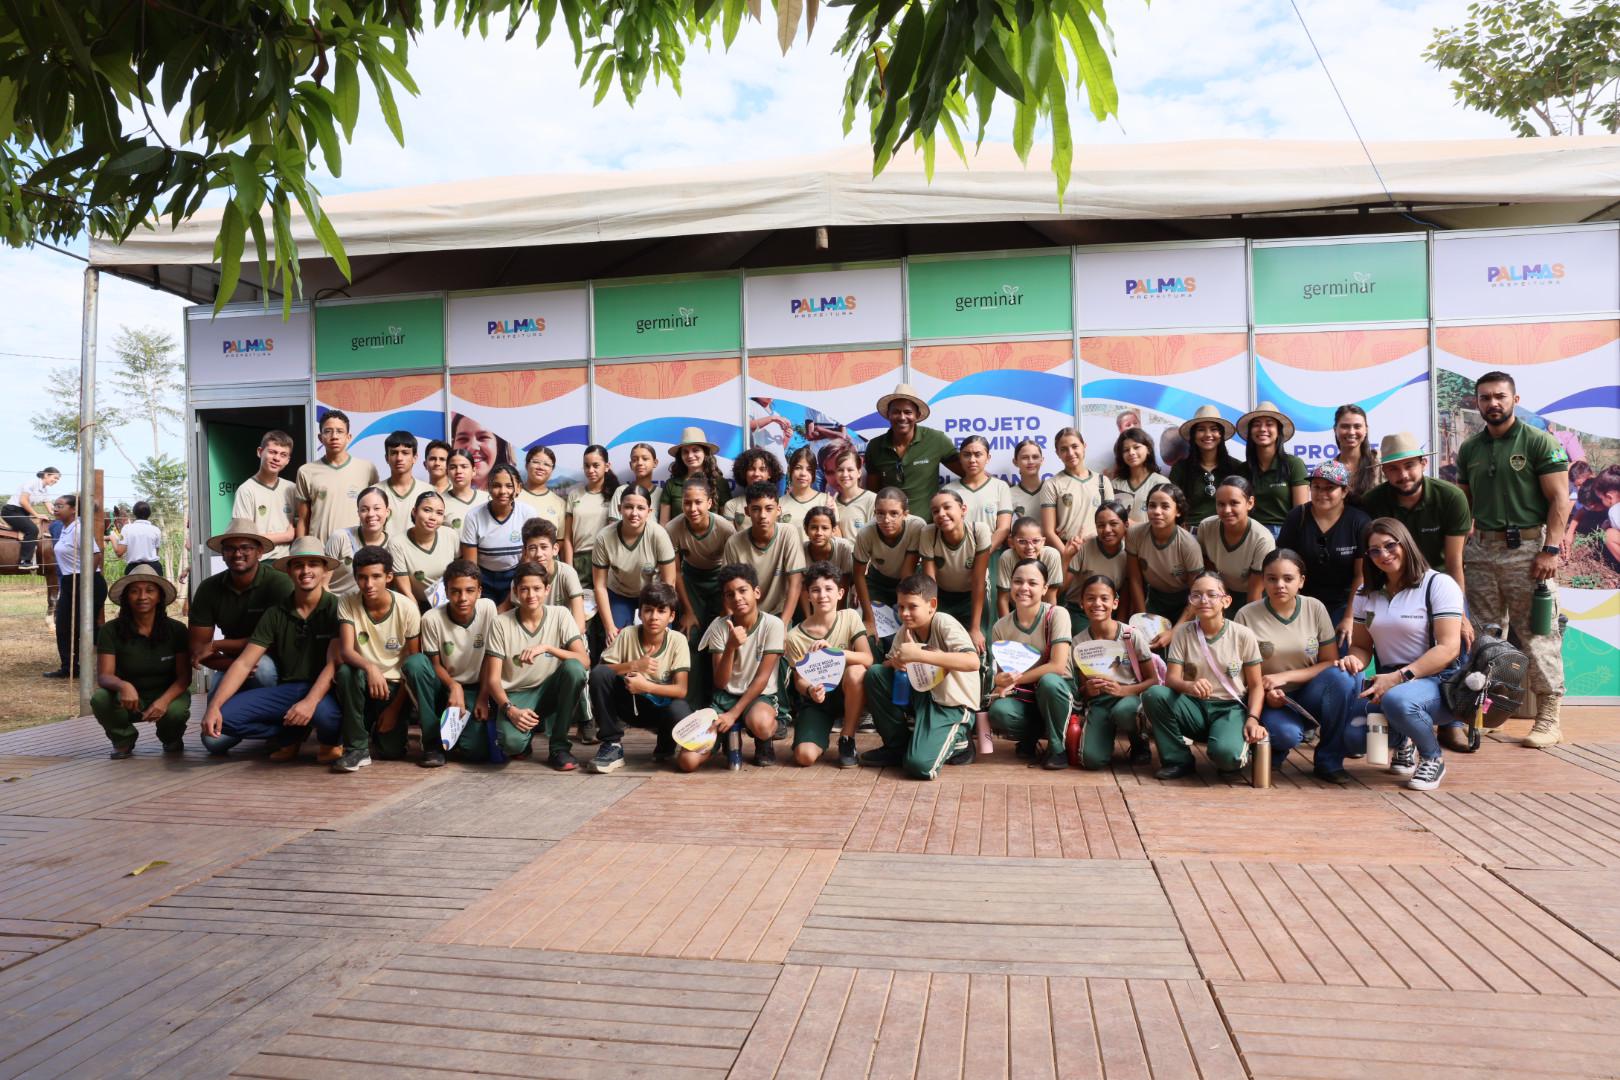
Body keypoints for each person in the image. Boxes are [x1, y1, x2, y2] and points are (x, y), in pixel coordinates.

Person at [1457, 371, 1572, 748]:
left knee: (1538, 634)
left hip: (1528, 551)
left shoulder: (1540, 442)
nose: (1492, 403)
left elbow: (1560, 500)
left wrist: (1551, 549)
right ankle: (1493, 711)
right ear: (1477, 402)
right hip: (1482, 551)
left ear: (1515, 398)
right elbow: (1465, 503)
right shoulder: (1470, 448)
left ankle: (1549, 716)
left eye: (1499, 396)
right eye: (1485, 397)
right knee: (1487, 636)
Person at [1336, 518, 1467, 788]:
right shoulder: (1365, 593)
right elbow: (1362, 646)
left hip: (1437, 682)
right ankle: (1404, 738)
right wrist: (1353, 659)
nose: (1383, 555)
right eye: (1374, 550)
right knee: (1352, 734)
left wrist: (1397, 678)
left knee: (1399, 701)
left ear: (1405, 544)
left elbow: (1449, 648)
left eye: (1390, 545)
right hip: (1389, 682)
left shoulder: (1438, 585)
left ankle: (1432, 758)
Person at [200, 536, 344, 762]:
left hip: (324, 690)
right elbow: (244, 662)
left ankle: (330, 740)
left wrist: (309, 703)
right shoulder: (275, 613)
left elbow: (335, 662)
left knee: (326, 716)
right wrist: (214, 707)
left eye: (313, 564)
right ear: (288, 571)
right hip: (288, 690)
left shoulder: (337, 608)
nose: (305, 571)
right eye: (298, 565)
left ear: (325, 569)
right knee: (224, 718)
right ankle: (292, 733)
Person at [1234, 549, 1358, 784]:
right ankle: (1277, 747)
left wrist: (1286, 676)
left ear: (1301, 581)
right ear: (1263, 581)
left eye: (1288, 579)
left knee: (1342, 677)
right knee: (1285, 734)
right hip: (1270, 697)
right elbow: (1241, 674)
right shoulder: (1246, 615)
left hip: (1311, 692)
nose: (1279, 585)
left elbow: (1330, 662)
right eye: (1272, 578)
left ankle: (1329, 760)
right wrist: (1266, 692)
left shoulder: (1315, 608)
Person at [1142, 570, 1266, 781]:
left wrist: (1253, 719)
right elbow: (1171, 679)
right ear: (1190, 601)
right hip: (1194, 706)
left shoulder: (1243, 635)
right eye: (1196, 595)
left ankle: (1230, 748)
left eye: (1211, 594)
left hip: (1229, 708)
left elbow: (1255, 685)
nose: (1203, 600)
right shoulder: (1182, 632)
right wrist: (1189, 687)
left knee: (1227, 757)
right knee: (1154, 694)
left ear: (1226, 601)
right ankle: (1178, 760)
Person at [859, 573, 980, 778]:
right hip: (922, 696)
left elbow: (972, 661)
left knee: (918, 766)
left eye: (912, 606)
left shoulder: (944, 622)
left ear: (931, 605)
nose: (905, 613)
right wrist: (895, 662)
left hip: (951, 705)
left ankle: (961, 743)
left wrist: (919, 654)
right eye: (901, 607)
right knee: (875, 674)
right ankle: (896, 747)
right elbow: (889, 662)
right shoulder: (906, 629)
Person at [480, 560, 588, 770]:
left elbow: (584, 661)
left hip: (549, 688)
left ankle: (559, 747)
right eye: (524, 589)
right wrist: (510, 710)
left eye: (537, 588)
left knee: (574, 669)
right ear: (515, 591)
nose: (531, 595)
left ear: (547, 589)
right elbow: (493, 679)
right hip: (517, 695)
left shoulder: (560, 614)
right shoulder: (500, 622)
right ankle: (524, 739)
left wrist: (547, 648)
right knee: (511, 745)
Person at [1359, 432, 1471, 633]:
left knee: (1457, 646)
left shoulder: (1451, 497)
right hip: (1392, 587)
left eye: (1409, 465)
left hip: (1440, 583)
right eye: (1393, 469)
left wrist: (1459, 613)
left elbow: (1454, 562)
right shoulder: (1372, 502)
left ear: (1424, 463)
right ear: (1384, 471)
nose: (1403, 475)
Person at [586, 581, 692, 772]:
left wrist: (646, 686)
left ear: (671, 616)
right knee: (600, 674)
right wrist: (634, 665)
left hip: (660, 710)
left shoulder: (678, 640)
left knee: (680, 708)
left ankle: (666, 744)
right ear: (640, 613)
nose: (654, 617)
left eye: (661, 611)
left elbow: (681, 690)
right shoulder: (627, 634)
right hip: (630, 706)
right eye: (648, 610)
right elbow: (602, 671)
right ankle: (612, 745)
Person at [332, 546, 421, 771]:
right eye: (362, 577)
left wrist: (394, 709)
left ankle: (378, 726)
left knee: (391, 751)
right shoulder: (347, 601)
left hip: (394, 688)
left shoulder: (407, 608)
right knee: (345, 671)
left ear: (389, 577)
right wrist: (370, 668)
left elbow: (412, 664)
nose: (368, 584)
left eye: (376, 577)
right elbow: (346, 651)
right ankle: (356, 749)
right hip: (363, 680)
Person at [691, 563, 787, 771]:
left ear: (757, 592)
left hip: (759, 696)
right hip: (725, 697)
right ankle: (726, 737)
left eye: (743, 590)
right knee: (687, 761)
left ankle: (767, 737)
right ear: (725, 599)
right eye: (729, 594)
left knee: (760, 723)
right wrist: (730, 647)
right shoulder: (719, 626)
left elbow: (762, 679)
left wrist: (734, 714)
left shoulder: (773, 625)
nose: (737, 598)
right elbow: (720, 681)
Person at [401, 559, 496, 768]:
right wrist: (454, 686)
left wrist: (483, 697)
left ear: (479, 591)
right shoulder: (432, 618)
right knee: (415, 663)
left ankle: (455, 737)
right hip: (443, 685)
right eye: (455, 591)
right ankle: (432, 743)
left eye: (469, 591)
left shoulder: (488, 609)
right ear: (446, 591)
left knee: (476, 752)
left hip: (475, 687)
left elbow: (491, 657)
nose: (462, 598)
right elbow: (434, 664)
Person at [91, 566, 191, 758]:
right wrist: (123, 685)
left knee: (176, 712)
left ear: (160, 596)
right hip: (129, 697)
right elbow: (104, 676)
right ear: (126, 598)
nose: (142, 597)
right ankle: (123, 739)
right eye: (134, 591)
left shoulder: (176, 630)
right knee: (101, 699)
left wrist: (163, 701)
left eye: (149, 590)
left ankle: (171, 738)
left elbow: (184, 678)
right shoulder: (111, 631)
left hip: (166, 693)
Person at [987, 558, 1074, 770]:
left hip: (1057, 691)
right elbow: (1002, 676)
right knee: (999, 712)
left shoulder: (1057, 615)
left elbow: (1057, 666)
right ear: (1010, 584)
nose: (1024, 588)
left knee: (1049, 682)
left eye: (1032, 583)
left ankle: (1057, 748)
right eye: (1018, 581)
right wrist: (1000, 680)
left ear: (1045, 588)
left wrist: (1015, 680)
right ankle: (1032, 735)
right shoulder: (1001, 626)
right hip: (1024, 695)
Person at [784, 561, 872, 768]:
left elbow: (867, 658)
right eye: (815, 590)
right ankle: (816, 734)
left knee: (856, 672)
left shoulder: (850, 617)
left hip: (848, 691)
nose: (822, 595)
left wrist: (834, 652)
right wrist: (810, 689)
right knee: (804, 757)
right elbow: (799, 680)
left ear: (840, 593)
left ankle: (847, 738)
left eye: (828, 589)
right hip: (818, 699)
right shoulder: (795, 636)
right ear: (807, 595)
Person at [187, 517, 291, 691]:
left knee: (262, 670)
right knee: (215, 703)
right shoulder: (209, 588)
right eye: (230, 548)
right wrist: (236, 666)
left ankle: (272, 714)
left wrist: (216, 645)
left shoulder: (279, 583)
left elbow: (275, 641)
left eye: (245, 548)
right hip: (231, 660)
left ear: (259, 552)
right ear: (222, 553)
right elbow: (198, 648)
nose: (237, 554)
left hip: (271, 659)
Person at [1072, 573, 1158, 769]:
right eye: (1090, 598)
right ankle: (1103, 741)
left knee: (1125, 712)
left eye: (1104, 598)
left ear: (1115, 603)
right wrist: (1089, 690)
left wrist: (1124, 690)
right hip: (1100, 702)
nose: (1097, 604)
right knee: (1091, 760)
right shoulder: (1079, 642)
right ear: (1082, 603)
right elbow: (1083, 689)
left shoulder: (1131, 636)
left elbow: (1153, 680)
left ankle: (1139, 743)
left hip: (1129, 698)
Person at [1277, 461, 1369, 639]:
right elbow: (1284, 564)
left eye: (1329, 488)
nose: (1322, 493)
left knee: (1343, 659)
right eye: (1316, 487)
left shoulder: (1359, 522)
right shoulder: (1297, 517)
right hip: (1303, 602)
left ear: (1344, 491)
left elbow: (1361, 575)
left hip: (1344, 603)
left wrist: (1350, 617)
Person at [664, 477, 735, 699]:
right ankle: (690, 702)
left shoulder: (725, 528)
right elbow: (675, 572)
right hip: (690, 582)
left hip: (720, 582)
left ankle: (717, 700)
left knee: (717, 638)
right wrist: (687, 611)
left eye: (698, 502)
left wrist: (726, 608)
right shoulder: (673, 528)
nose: (692, 508)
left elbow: (731, 574)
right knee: (690, 637)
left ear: (710, 503)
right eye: (687, 502)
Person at [592, 486, 678, 645]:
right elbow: (599, 585)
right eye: (628, 507)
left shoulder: (659, 534)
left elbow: (669, 584)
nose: (634, 513)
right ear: (619, 508)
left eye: (640, 508)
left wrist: (662, 617)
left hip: (654, 594)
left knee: (658, 640)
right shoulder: (604, 537)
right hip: (619, 593)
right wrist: (609, 626)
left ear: (649, 512)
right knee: (617, 641)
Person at [863, 382, 963, 512]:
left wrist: (995, 486)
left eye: (908, 412)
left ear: (917, 415)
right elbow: (873, 493)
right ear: (888, 414)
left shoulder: (936, 440)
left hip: (927, 527)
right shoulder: (875, 446)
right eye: (896, 412)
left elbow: (970, 472)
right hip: (891, 527)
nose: (902, 417)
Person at [1125, 484, 1202, 648]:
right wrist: (1141, 618)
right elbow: (1135, 579)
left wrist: (1174, 632)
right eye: (1152, 505)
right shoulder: (1135, 534)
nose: (1157, 511)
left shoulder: (1188, 544)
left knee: (1181, 647)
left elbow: (1196, 594)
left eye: (1165, 506)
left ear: (1178, 511)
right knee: (1146, 646)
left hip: (1186, 603)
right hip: (1155, 600)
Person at [919, 489, 993, 654]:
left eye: (947, 507)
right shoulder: (928, 533)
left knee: (977, 646)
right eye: (935, 511)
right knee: (937, 644)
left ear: (963, 510)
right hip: (941, 595)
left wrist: (974, 628)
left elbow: (978, 581)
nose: (941, 514)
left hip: (971, 596)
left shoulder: (979, 531)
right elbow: (930, 583)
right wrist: (930, 621)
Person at [852, 487, 923, 652]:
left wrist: (902, 605)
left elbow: (907, 572)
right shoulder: (865, 534)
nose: (886, 519)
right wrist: (869, 619)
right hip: (878, 582)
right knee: (872, 632)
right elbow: (858, 575)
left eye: (894, 513)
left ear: (905, 514)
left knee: (907, 627)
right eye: (880, 513)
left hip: (908, 582)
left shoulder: (917, 526)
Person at [720, 482, 805, 622]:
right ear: (747, 511)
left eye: (769, 509)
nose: (762, 515)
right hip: (744, 614)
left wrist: (782, 625)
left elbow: (795, 584)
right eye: (756, 509)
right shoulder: (734, 542)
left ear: (778, 510)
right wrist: (734, 624)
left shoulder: (788, 533)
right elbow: (727, 589)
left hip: (778, 614)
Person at [294, 410, 379, 542]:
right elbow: (303, 520)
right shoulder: (306, 471)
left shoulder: (367, 469)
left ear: (348, 437)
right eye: (328, 431)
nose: (334, 436)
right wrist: (300, 551)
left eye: (340, 431)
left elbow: (376, 512)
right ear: (320, 437)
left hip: (357, 548)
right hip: (320, 552)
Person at [460, 463, 537, 602]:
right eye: (496, 485)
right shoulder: (473, 516)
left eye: (509, 485)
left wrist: (517, 586)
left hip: (517, 575)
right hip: (483, 577)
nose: (503, 491)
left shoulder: (528, 513)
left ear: (518, 488)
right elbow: (470, 565)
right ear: (488, 488)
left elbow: (530, 558)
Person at [1040, 427, 1114, 559]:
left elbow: (1112, 521)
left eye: (1075, 446)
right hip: (1066, 549)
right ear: (1057, 453)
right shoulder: (1052, 484)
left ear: (1084, 446)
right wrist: (1067, 556)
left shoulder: (1103, 481)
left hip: (1100, 550)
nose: (1070, 453)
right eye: (1063, 449)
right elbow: (1048, 531)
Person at [1197, 476, 1273, 604]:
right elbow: (1208, 566)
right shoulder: (1206, 527)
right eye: (1221, 504)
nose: (1226, 510)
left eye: (1234, 503)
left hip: (1255, 598)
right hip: (1221, 592)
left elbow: (1255, 591)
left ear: (1250, 503)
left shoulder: (1263, 539)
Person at [1239, 401, 1309, 533]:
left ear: (1278, 431)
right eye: (1257, 425)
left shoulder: (1294, 464)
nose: (1262, 429)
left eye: (1269, 424)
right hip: (1250, 534)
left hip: (1285, 533)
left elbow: (1301, 514)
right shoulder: (1242, 469)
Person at [561, 445, 620, 598]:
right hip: (579, 560)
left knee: (605, 610)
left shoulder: (616, 494)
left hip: (605, 559)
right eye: (587, 466)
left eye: (596, 465)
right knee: (581, 612)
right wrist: (569, 569)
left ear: (607, 466)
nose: (590, 470)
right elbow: (567, 537)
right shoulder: (575, 495)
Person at [1168, 406, 1241, 528]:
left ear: (1221, 434)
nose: (1208, 434)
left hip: (1227, 532)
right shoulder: (1180, 468)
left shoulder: (1236, 467)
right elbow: (1171, 504)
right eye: (1201, 429)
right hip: (1190, 534)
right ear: (1193, 435)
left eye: (1213, 429)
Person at [388, 490, 457, 611]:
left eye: (439, 513)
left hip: (452, 602)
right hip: (416, 604)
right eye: (427, 510)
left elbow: (460, 573)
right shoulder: (397, 543)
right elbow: (405, 590)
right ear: (414, 512)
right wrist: (418, 617)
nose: (433, 517)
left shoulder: (450, 535)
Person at [231, 432, 296, 558]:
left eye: (283, 455)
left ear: (288, 460)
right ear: (260, 452)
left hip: (288, 563)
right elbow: (244, 537)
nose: (277, 458)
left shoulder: (292, 488)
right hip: (259, 563)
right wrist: (286, 536)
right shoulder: (246, 490)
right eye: (272, 452)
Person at [1065, 500, 1131, 622]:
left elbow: (1126, 592)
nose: (1107, 530)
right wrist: (1067, 558)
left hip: (1108, 612)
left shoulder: (1129, 553)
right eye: (1101, 525)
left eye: (1113, 524)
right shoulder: (1084, 547)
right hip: (1079, 611)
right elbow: (1062, 588)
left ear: (1126, 525)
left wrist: (1121, 623)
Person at [518, 519, 586, 634]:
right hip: (536, 638)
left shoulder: (567, 573)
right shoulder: (521, 578)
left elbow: (579, 624)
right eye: (533, 548)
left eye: (544, 547)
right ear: (525, 552)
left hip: (566, 636)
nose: (539, 554)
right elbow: (522, 623)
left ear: (555, 549)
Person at [323, 487, 393, 596]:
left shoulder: (393, 545)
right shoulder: (340, 537)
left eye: (377, 508)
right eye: (364, 509)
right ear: (358, 513)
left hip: (371, 608)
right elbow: (323, 584)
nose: (371, 514)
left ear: (387, 512)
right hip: (336, 604)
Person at [947, 435, 1013, 549]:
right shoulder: (948, 490)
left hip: (992, 554)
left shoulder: (1000, 487)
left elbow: (1004, 528)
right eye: (966, 455)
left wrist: (983, 554)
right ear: (960, 458)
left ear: (988, 458)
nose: (972, 460)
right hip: (959, 555)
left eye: (978, 454)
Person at [661, 427, 732, 526]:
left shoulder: (720, 483)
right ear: (680, 456)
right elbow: (664, 524)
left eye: (695, 450)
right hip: (676, 540)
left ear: (705, 453)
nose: (690, 455)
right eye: (685, 452)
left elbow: (726, 523)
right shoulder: (671, 484)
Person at [998, 516, 1061, 617]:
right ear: (1011, 542)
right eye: (1022, 542)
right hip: (1015, 608)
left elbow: (1051, 596)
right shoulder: (1007, 557)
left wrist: (1047, 625)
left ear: (1043, 541)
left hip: (1042, 609)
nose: (1030, 547)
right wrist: (1006, 628)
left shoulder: (1051, 556)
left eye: (1035, 541)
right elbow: (1003, 598)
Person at [3, 466, 60, 569]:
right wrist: (37, 514)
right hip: (12, 511)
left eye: (58, 479)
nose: (56, 481)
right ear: (46, 475)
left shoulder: (45, 490)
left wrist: (60, 515)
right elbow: (23, 501)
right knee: (32, 529)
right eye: (55, 478)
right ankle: (24, 561)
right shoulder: (32, 483)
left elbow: (50, 508)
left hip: (23, 513)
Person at [1112, 427, 1171, 523]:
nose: (1131, 452)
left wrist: (1136, 527)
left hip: (1150, 537)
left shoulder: (1161, 483)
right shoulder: (1115, 484)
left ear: (1148, 450)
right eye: (1126, 450)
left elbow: (1167, 520)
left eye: (1136, 447)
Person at [801, 506, 854, 607]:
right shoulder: (801, 550)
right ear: (806, 529)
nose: (819, 533)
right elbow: (802, 588)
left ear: (833, 530)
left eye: (825, 528)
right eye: (813, 528)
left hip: (837, 602)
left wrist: (838, 613)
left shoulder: (843, 547)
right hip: (810, 602)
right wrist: (808, 618)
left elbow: (844, 582)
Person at [450, 411, 514, 491]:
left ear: (498, 444)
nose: (473, 447)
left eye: (483, 437)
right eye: (463, 439)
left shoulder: (515, 495)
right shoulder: (442, 496)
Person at [379, 430, 425, 539]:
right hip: (383, 555)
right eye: (394, 453)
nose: (399, 458)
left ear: (415, 457)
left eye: (405, 453)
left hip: (416, 554)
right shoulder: (375, 492)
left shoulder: (428, 492)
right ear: (386, 458)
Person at [723, 449, 782, 527]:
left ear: (770, 474)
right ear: (744, 473)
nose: (756, 474)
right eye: (751, 469)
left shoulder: (780, 503)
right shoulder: (732, 505)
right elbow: (729, 537)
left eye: (762, 469)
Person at [1333, 405, 1378, 503]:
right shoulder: (1329, 469)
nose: (1351, 432)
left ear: (1366, 430)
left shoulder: (1379, 463)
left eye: (1357, 426)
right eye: (1345, 426)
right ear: (1335, 429)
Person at [782, 446, 835, 528]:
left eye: (809, 469)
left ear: (814, 473)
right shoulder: (779, 504)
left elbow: (837, 535)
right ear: (789, 470)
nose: (803, 473)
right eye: (798, 468)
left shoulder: (826, 501)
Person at [516, 445, 566, 530]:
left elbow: (560, 540)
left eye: (546, 464)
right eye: (536, 462)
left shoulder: (559, 503)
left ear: (552, 470)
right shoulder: (512, 496)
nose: (541, 467)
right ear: (526, 465)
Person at [830, 449, 874, 540]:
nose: (845, 474)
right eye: (840, 470)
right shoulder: (831, 503)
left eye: (850, 470)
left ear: (859, 473)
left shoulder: (872, 500)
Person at [442, 448, 488, 532]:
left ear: (473, 471)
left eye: (464, 467)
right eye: (453, 467)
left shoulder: (487, 499)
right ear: (447, 472)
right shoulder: (440, 502)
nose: (458, 471)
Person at [114, 501, 164, 574]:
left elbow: (119, 552)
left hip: (134, 569)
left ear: (134, 513)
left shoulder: (126, 529)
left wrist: (112, 539)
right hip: (154, 568)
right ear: (149, 514)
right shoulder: (156, 530)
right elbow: (156, 553)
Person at [1010, 439, 1047, 521]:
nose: (1031, 461)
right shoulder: (1008, 494)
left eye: (1035, 457)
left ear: (1042, 460)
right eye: (1025, 457)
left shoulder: (1051, 489)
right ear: (1015, 462)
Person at [624, 442, 664, 516]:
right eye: (635, 459)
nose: (640, 463)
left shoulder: (662, 494)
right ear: (630, 465)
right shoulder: (621, 491)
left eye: (645, 459)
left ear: (655, 463)